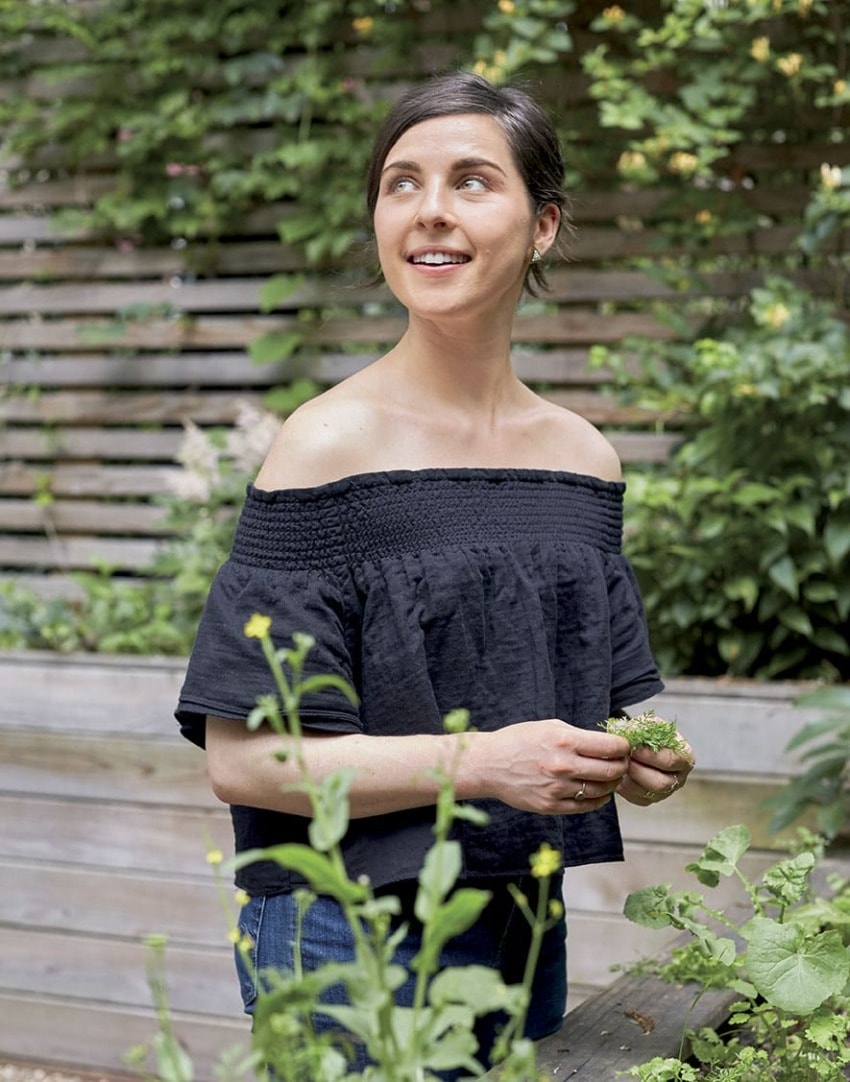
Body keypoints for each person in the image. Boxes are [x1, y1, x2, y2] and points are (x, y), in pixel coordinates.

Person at [175, 70, 694, 1076]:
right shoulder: (326, 446)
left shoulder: (582, 460)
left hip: (520, 918)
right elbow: (243, 760)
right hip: (344, 929)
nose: (428, 211)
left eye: (469, 179)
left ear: (542, 225)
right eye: (400, 183)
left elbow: (614, 704)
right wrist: (486, 764)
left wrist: (639, 757)